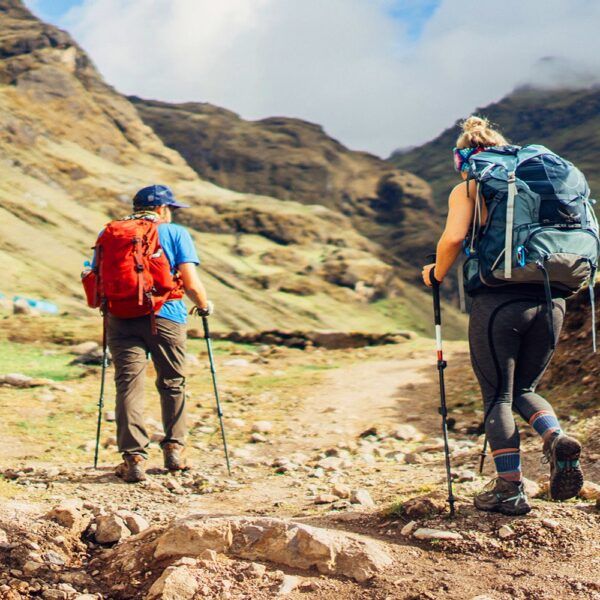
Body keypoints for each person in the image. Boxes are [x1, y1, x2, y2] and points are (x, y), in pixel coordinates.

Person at [422, 117, 584, 515]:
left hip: (500, 301)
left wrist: (435, 273)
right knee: (525, 388)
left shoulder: (471, 186)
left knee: (499, 395)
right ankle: (555, 438)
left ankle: (509, 488)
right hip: (553, 299)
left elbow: (455, 238)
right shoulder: (541, 179)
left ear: (463, 157)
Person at [95, 184, 213, 483]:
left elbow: (95, 274)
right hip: (167, 315)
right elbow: (190, 281)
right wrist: (204, 306)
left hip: (120, 317)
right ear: (162, 208)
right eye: (171, 208)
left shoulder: (109, 233)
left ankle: (134, 457)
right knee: (172, 382)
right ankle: (174, 450)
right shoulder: (175, 234)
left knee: (128, 385)